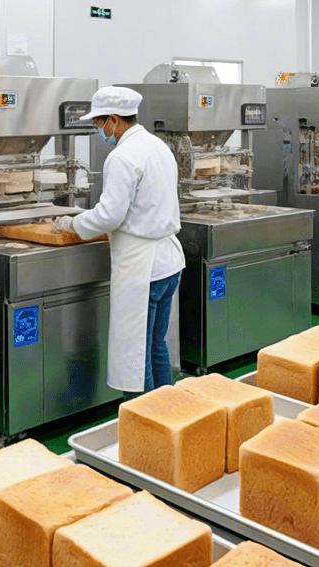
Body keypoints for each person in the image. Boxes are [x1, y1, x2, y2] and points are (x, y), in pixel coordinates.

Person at [53, 86, 185, 400]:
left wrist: (72, 223)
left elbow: (110, 216)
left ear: (113, 119)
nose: (99, 130)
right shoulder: (157, 146)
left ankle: (143, 420)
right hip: (168, 263)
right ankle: (167, 414)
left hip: (143, 269)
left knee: (136, 355)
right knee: (156, 345)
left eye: (99, 123)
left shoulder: (123, 156)